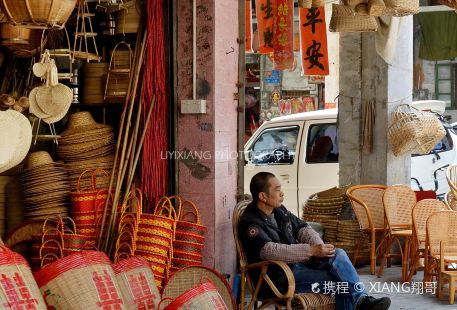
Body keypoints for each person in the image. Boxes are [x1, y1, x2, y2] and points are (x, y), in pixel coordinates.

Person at [239, 172, 391, 310]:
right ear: (263, 196)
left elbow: (303, 228)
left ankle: (362, 300)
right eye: (277, 190)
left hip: (298, 266)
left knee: (338, 253)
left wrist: (320, 247)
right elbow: (269, 251)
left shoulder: (278, 210)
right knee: (341, 283)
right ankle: (363, 301)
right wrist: (311, 250)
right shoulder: (250, 221)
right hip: (278, 278)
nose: (282, 193)